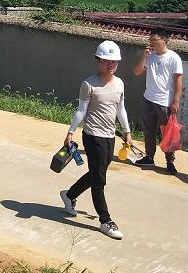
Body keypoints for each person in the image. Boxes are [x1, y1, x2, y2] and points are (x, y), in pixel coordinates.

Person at [59, 40, 132, 240]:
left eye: (114, 61)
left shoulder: (119, 83)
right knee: (99, 179)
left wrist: (127, 131)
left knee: (96, 173)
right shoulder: (89, 84)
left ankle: (69, 195)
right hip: (92, 136)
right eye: (106, 61)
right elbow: (81, 110)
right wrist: (70, 132)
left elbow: (120, 109)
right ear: (97, 60)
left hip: (109, 136)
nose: (110, 65)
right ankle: (105, 221)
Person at [133, 27, 184, 174]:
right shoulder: (150, 56)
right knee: (148, 130)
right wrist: (144, 57)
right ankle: (149, 157)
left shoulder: (173, 57)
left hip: (164, 102)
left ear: (164, 40)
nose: (151, 43)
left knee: (167, 133)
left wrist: (175, 101)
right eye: (150, 40)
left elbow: (178, 80)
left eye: (154, 40)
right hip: (148, 98)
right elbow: (137, 72)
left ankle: (170, 161)